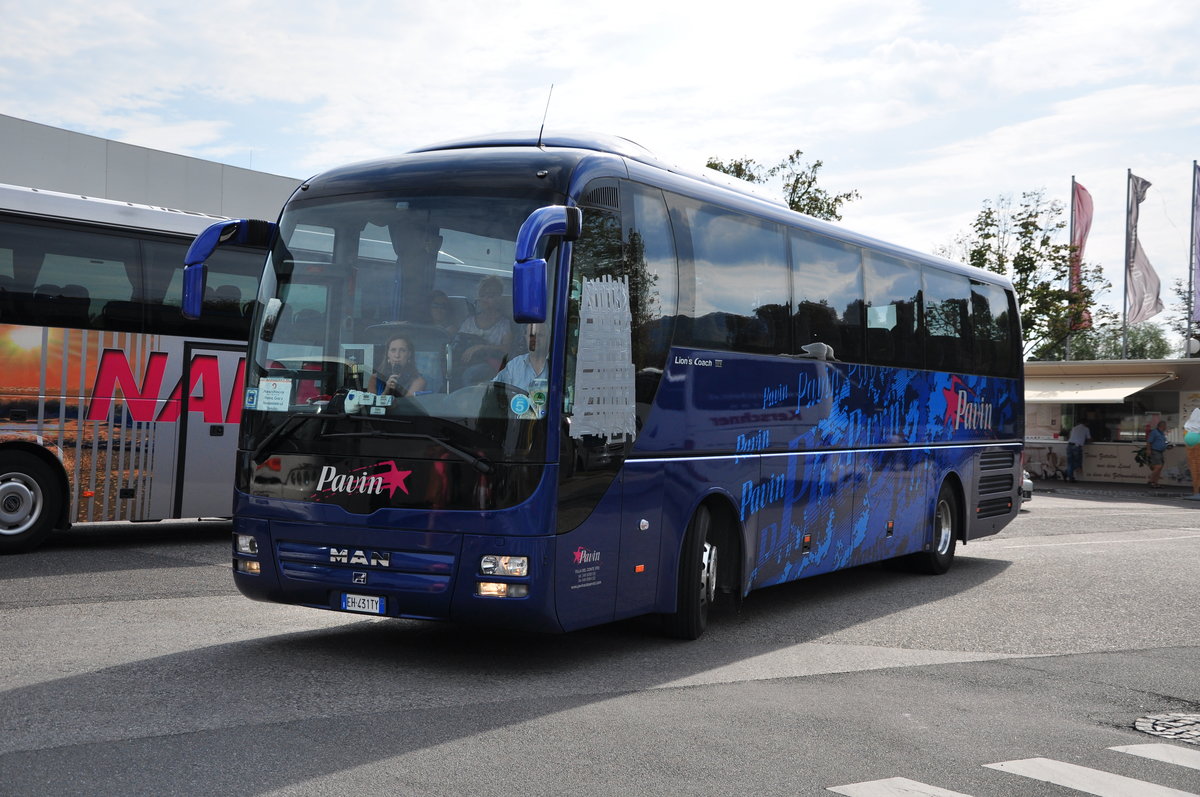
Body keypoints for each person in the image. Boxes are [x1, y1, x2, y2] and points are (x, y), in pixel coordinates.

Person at [493, 323, 548, 392]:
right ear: (526, 337)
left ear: (548, 338)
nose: (535, 339)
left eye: (540, 335)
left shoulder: (555, 364)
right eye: (532, 335)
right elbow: (494, 388)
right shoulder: (514, 365)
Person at [1146, 420, 1169, 487]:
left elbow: (1163, 442)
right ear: (1162, 426)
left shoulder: (1162, 433)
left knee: (1160, 467)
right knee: (1158, 466)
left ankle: (1155, 482)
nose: (1166, 427)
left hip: (1160, 452)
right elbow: (1149, 441)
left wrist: (1167, 446)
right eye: (1165, 426)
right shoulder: (1154, 432)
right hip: (1155, 451)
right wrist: (1148, 450)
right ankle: (1151, 481)